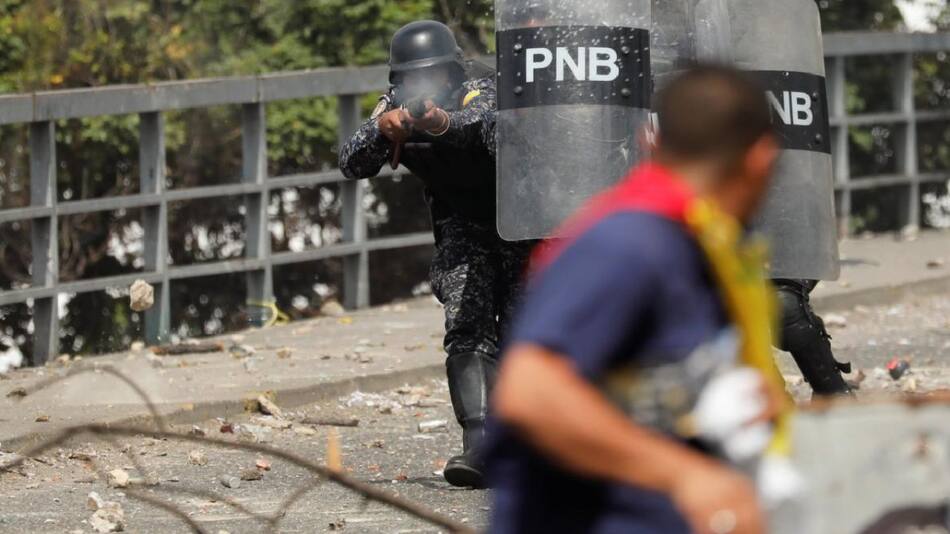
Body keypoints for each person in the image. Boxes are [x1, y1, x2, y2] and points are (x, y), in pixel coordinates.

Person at [486, 65, 787, 534]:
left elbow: (649, 384)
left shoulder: (702, 246)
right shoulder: (628, 244)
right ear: (762, 159)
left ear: (651, 144)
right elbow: (530, 393)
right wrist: (685, 475)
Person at [338, 20, 532, 489]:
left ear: (453, 72)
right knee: (467, 329)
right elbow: (351, 160)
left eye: (435, 77)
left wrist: (437, 122)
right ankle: (480, 444)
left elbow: (480, 128)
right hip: (462, 226)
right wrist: (386, 130)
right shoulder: (395, 107)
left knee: (526, 333)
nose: (426, 87)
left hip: (520, 223)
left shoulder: (483, 90)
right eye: (413, 80)